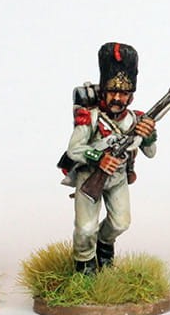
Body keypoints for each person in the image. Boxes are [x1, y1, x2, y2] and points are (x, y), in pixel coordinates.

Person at [62, 42, 156, 275]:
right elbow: (74, 149)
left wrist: (148, 135)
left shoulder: (136, 119)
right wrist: (98, 158)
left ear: (130, 97)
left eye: (123, 94)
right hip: (90, 176)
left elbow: (151, 153)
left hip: (119, 178)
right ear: (104, 91)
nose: (117, 98)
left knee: (120, 223)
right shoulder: (91, 117)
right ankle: (85, 264)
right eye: (113, 92)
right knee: (85, 229)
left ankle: (104, 247)